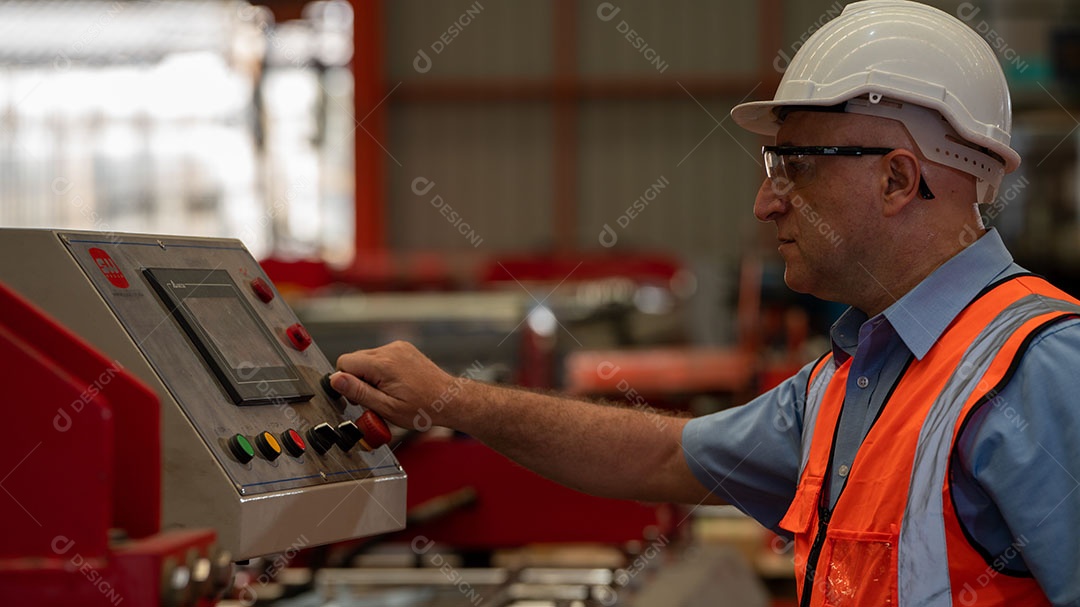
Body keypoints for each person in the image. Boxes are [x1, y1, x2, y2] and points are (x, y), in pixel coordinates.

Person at [330, 1, 1080, 605]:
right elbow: (660, 454)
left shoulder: (1039, 373)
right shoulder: (848, 385)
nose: (765, 203)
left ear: (896, 179)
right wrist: (450, 398)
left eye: (795, 168)